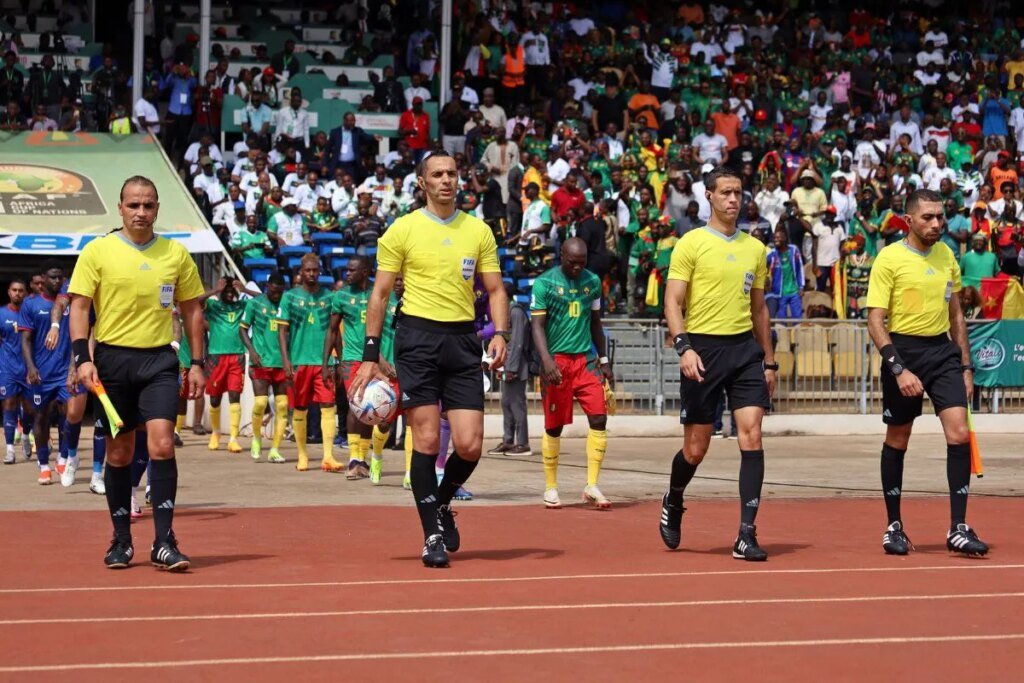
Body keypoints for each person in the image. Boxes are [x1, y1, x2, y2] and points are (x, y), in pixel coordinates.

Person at [347, 150, 508, 569]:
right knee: (428, 441)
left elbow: (495, 289)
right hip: (417, 338)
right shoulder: (402, 230)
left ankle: (440, 504)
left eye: (452, 173)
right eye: (437, 174)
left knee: (470, 445)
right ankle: (431, 534)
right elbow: (379, 295)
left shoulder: (478, 230)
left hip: (462, 340)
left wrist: (502, 334)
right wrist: (369, 355)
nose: (446, 180)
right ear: (422, 182)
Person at [69, 175, 207, 571]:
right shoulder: (98, 251)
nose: (141, 212)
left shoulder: (176, 254)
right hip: (112, 362)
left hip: (160, 361)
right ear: (120, 207)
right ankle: (122, 540)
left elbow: (194, 309)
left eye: (148, 205)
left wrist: (196, 363)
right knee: (119, 452)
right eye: (134, 205)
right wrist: (83, 358)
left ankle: (164, 541)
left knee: (161, 445)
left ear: (158, 208)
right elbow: (80, 306)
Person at [660, 166, 776, 562]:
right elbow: (673, 302)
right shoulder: (690, 244)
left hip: (744, 351)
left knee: (752, 434)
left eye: (738, 192)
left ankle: (746, 533)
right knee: (696, 448)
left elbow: (759, 308)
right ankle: (674, 497)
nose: (733, 199)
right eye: (725, 192)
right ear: (709, 196)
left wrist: (770, 362)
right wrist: (684, 348)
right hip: (703, 351)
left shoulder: (755, 249)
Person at [865, 188, 988, 557]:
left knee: (959, 433)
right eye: (928, 217)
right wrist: (898, 368)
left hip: (942, 352)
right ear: (909, 220)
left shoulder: (948, 254)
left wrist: (966, 366)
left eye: (940, 217)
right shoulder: (889, 259)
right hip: (903, 351)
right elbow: (875, 320)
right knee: (898, 438)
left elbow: (956, 316)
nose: (937, 224)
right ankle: (893, 527)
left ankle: (958, 527)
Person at [531, 238, 613, 509]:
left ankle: (592, 484)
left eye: (582, 262)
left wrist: (604, 360)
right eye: (572, 262)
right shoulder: (544, 283)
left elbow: (596, 323)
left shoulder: (592, 282)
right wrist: (546, 360)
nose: (578, 267)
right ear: (562, 256)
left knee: (599, 418)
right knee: (554, 426)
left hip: (586, 362)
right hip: (557, 363)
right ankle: (551, 487)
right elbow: (537, 326)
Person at [277, 253, 343, 473]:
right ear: (300, 272)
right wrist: (286, 361)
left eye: (315, 270)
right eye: (308, 270)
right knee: (301, 408)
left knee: (327, 406)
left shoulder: (329, 297)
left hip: (324, 363)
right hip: (299, 362)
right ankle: (302, 455)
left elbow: (335, 332)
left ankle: (328, 456)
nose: (312, 274)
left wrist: (340, 359)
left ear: (320, 271)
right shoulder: (289, 297)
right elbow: (282, 332)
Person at [19, 262, 71, 485]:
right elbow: (25, 339)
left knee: (70, 416)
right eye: (52, 277)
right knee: (41, 417)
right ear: (43, 279)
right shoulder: (31, 305)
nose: (57, 281)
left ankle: (63, 458)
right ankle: (43, 465)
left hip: (66, 372)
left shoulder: (69, 303)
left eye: (60, 277)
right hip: (41, 374)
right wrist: (31, 367)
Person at [323, 255, 375, 479]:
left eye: (352, 270)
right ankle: (354, 458)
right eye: (347, 269)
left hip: (376, 359)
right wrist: (328, 362)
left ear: (365, 271)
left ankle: (364, 458)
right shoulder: (341, 296)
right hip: (351, 359)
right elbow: (332, 331)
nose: (347, 273)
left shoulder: (380, 292)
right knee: (356, 405)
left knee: (371, 406)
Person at [239, 273, 289, 463]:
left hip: (281, 362)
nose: (277, 296)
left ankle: (275, 449)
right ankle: (257, 438)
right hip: (259, 362)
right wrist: (251, 350)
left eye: (280, 292)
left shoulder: (286, 304)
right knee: (261, 403)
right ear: (267, 286)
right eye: (274, 291)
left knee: (282, 406)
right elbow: (242, 328)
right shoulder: (254, 304)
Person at [201, 278, 247, 453]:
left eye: (231, 289)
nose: (229, 292)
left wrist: (245, 290)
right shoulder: (213, 306)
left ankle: (233, 439)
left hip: (237, 357)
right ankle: (216, 433)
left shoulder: (241, 305)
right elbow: (196, 302)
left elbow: (263, 301)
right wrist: (214, 290)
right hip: (216, 357)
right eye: (226, 289)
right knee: (214, 399)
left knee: (235, 396)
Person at [489, 282, 531, 456]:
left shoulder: (516, 312)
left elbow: (518, 343)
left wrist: (511, 368)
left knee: (517, 405)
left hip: (517, 368)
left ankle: (522, 443)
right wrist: (500, 366)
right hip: (507, 366)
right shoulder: (506, 313)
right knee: (506, 403)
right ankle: (508, 440)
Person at [1, 278, 29, 464]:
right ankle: (10, 449)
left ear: (25, 293)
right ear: (9, 292)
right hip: (7, 369)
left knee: (31, 410)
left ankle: (26, 434)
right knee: (9, 405)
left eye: (21, 290)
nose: (17, 293)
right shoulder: (1, 313)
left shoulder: (30, 313)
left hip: (29, 369)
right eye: (14, 290)